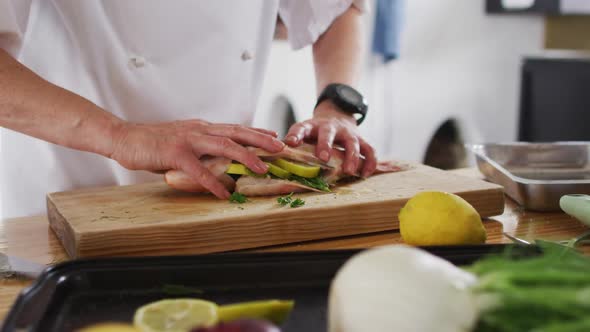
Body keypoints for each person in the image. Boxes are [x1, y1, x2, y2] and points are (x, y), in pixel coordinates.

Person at [0, 0, 376, 219]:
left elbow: (339, 9)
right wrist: (120, 135)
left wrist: (337, 105)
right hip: (70, 204)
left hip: (220, 206)